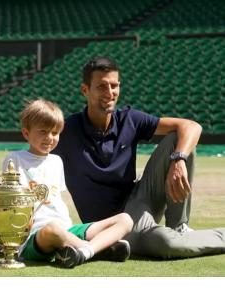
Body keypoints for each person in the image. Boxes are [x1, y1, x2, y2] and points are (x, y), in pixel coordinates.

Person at [53, 56, 225, 259]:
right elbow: (37, 160)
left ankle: (179, 226)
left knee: (178, 139)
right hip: (110, 227)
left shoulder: (129, 119)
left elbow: (192, 126)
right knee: (165, 243)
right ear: (85, 90)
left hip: (139, 200)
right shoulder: (67, 131)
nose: (110, 93)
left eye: (114, 86)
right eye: (101, 87)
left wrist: (179, 160)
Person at [0, 99, 133, 268]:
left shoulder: (57, 161)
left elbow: (57, 199)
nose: (50, 138)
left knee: (125, 220)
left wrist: (72, 231)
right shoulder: (14, 159)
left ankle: (83, 251)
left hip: (66, 229)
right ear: (26, 133)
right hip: (36, 236)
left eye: (55, 132)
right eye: (43, 132)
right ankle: (98, 249)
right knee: (52, 229)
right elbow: (6, 204)